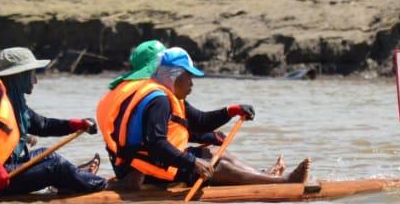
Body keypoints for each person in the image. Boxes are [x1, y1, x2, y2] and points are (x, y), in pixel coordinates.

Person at [103, 46, 310, 189]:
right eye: (189, 77)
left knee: (213, 152)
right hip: (148, 169)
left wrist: (231, 110)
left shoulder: (167, 95)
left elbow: (200, 122)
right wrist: (193, 164)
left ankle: (265, 176)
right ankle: (285, 183)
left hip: (154, 161)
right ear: (174, 76)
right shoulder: (159, 101)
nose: (192, 83)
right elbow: (157, 143)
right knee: (216, 166)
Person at [0, 47, 107, 196]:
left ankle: (77, 179)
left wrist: (76, 124)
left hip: (3, 169)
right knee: (56, 165)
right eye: (32, 74)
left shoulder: (14, 98)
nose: (35, 80)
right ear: (19, 75)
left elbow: (42, 125)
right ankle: (103, 185)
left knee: (47, 154)